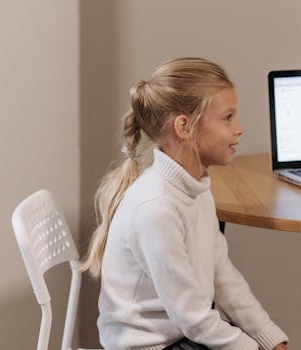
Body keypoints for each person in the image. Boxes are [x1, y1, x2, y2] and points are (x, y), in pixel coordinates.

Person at [80, 57, 289, 350]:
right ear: (185, 127)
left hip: (183, 334)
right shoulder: (157, 208)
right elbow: (193, 318)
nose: (239, 128)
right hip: (151, 345)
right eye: (227, 118)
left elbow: (223, 275)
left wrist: (270, 339)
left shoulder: (197, 187)